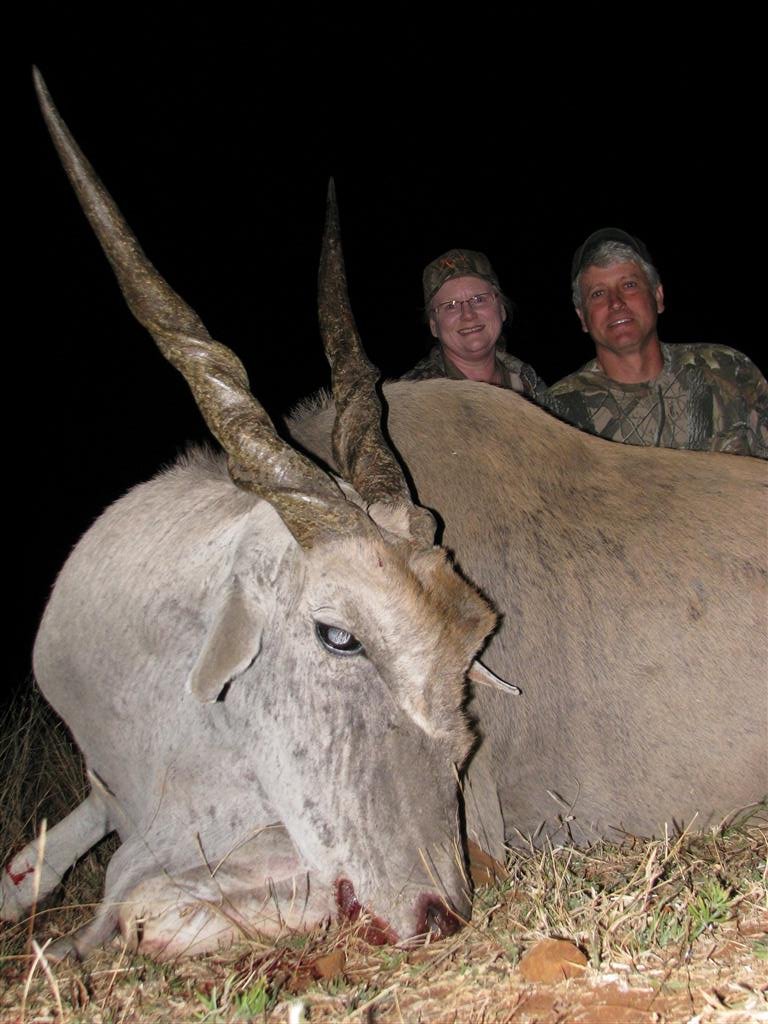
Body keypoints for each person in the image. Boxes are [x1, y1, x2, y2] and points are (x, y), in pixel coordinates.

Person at [543, 228, 768, 458]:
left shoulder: (730, 370)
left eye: (629, 285)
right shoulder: (557, 412)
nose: (615, 302)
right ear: (582, 317)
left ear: (658, 296)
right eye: (598, 293)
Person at [401, 248, 545, 398]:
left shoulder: (531, 386)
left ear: (502, 310)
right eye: (450, 306)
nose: (468, 315)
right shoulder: (411, 399)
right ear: (433, 326)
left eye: (479, 299)